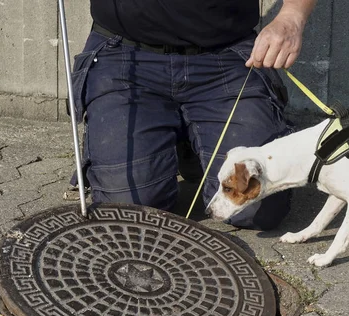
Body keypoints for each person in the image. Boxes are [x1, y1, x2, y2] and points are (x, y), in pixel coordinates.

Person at [68, 0, 316, 230]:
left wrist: (292, 16)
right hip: (126, 53)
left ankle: (188, 143)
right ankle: (167, 141)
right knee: (128, 210)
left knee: (255, 207)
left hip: (226, 55)